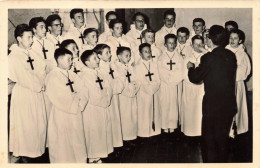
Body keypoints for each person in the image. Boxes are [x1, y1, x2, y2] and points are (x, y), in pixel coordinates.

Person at [187, 25, 237, 162]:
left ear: (210, 40)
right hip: (228, 105)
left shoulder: (208, 58)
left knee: (209, 141)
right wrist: (206, 52)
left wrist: (191, 68)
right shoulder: (231, 55)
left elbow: (195, 78)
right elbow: (217, 61)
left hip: (212, 106)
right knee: (222, 139)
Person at [8, 24, 47, 163]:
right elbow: (23, 77)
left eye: (31, 37)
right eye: (28, 37)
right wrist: (38, 83)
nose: (31, 40)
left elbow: (42, 69)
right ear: (19, 39)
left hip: (37, 93)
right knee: (26, 125)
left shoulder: (33, 53)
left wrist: (40, 81)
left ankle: (37, 152)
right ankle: (25, 156)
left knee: (38, 124)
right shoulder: (13, 57)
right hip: (24, 94)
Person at [45, 48, 88, 163]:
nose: (72, 62)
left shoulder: (72, 74)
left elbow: (84, 90)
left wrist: (80, 103)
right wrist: (76, 102)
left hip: (76, 113)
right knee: (63, 146)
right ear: (59, 59)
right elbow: (59, 97)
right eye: (69, 59)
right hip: (61, 114)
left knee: (77, 141)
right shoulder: (53, 76)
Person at [80, 50, 113, 163]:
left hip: (103, 105)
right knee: (94, 131)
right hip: (93, 108)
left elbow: (108, 86)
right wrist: (103, 101)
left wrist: (107, 98)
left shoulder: (99, 72)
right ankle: (93, 157)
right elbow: (91, 94)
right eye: (95, 58)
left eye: (97, 58)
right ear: (87, 62)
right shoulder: (84, 75)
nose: (98, 60)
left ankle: (100, 154)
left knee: (102, 130)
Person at [95, 44, 124, 156]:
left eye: (110, 52)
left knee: (116, 118)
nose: (110, 54)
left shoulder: (111, 65)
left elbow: (118, 77)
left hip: (115, 95)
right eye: (107, 53)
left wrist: (117, 87)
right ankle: (110, 146)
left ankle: (117, 144)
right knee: (109, 121)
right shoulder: (99, 68)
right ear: (99, 55)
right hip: (108, 97)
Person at [157, 34, 183, 139]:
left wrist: (172, 79)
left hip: (175, 85)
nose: (171, 45)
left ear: (176, 44)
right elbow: (161, 70)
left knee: (174, 104)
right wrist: (168, 79)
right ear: (165, 44)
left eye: (173, 43)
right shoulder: (161, 57)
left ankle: (173, 126)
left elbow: (180, 71)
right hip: (165, 85)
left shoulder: (179, 57)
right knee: (165, 104)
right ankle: (164, 126)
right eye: (169, 43)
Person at [226, 29, 251, 137]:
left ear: (240, 41)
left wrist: (229, 70)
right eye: (231, 38)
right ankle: (226, 130)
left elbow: (243, 72)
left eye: (235, 38)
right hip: (225, 85)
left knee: (236, 107)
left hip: (237, 84)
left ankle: (236, 129)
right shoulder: (225, 51)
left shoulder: (243, 55)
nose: (232, 40)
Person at [114, 47, 140, 150]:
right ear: (119, 56)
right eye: (126, 56)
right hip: (124, 96)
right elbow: (120, 83)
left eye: (130, 55)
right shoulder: (116, 67)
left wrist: (134, 88)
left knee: (132, 115)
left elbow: (136, 78)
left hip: (132, 94)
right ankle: (125, 139)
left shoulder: (130, 66)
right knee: (125, 117)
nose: (129, 58)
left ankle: (131, 136)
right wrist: (129, 90)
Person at [181, 35, 206, 137]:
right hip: (189, 87)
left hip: (202, 87)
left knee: (200, 110)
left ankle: (200, 132)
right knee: (190, 110)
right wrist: (193, 81)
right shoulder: (187, 57)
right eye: (196, 44)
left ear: (203, 45)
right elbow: (183, 73)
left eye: (200, 44)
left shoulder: (206, 57)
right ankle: (189, 132)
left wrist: (201, 81)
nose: (198, 46)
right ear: (191, 45)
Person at [135, 43, 161, 140]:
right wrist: (149, 89)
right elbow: (140, 80)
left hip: (155, 92)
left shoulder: (155, 64)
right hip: (144, 94)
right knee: (145, 112)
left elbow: (158, 78)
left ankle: (155, 132)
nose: (148, 53)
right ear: (140, 54)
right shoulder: (137, 66)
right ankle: (144, 133)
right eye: (145, 52)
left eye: (149, 51)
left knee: (155, 111)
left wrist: (153, 87)